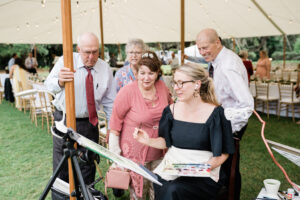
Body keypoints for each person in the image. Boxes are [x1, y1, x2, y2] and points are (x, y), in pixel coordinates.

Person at [134, 63, 235, 200]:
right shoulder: (171, 111)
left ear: (197, 84)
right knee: (163, 183)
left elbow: (223, 153)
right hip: (172, 169)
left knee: (174, 190)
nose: (176, 88)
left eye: (181, 83)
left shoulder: (216, 113)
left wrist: (198, 169)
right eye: (175, 83)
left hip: (204, 173)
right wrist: (147, 141)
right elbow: (166, 142)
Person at [45, 32, 116, 199]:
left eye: (95, 52)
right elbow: (48, 85)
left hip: (90, 123)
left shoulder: (104, 68)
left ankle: (85, 196)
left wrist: (112, 128)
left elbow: (110, 102)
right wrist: (59, 82)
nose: (91, 57)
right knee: (62, 167)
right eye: (87, 52)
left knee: (87, 166)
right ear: (78, 49)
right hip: (65, 121)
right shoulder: (66, 61)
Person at [196, 28, 254, 200]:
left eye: (205, 47)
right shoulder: (217, 61)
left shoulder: (228, 65)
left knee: (229, 169)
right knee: (223, 168)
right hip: (224, 120)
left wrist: (226, 126)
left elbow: (246, 105)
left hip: (232, 124)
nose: (202, 52)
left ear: (218, 42)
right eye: (199, 49)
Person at [109, 51, 172, 200]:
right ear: (136, 73)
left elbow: (171, 109)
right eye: (142, 73)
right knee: (139, 192)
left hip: (159, 149)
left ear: (158, 73)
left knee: (157, 188)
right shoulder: (127, 92)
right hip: (134, 152)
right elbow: (115, 123)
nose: (146, 78)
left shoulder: (162, 87)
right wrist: (116, 157)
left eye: (151, 73)